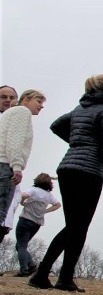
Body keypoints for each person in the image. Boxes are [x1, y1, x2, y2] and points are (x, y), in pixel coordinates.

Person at [30, 76, 103, 292]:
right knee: (78, 226)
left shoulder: (80, 109)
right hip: (89, 171)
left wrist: (77, 142)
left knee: (74, 225)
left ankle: (47, 274)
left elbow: (56, 125)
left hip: (67, 167)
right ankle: (59, 277)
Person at [0, 89, 45, 243]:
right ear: (26, 99)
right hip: (6, 166)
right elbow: (15, 141)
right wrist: (17, 166)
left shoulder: (9, 113)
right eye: (38, 101)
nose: (41, 106)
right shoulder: (22, 112)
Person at [14, 173, 61, 276]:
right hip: (37, 223)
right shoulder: (49, 196)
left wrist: (23, 202)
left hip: (25, 220)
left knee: (21, 245)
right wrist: (45, 211)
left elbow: (22, 195)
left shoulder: (34, 190)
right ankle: (31, 266)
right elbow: (58, 205)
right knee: (21, 245)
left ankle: (24, 269)